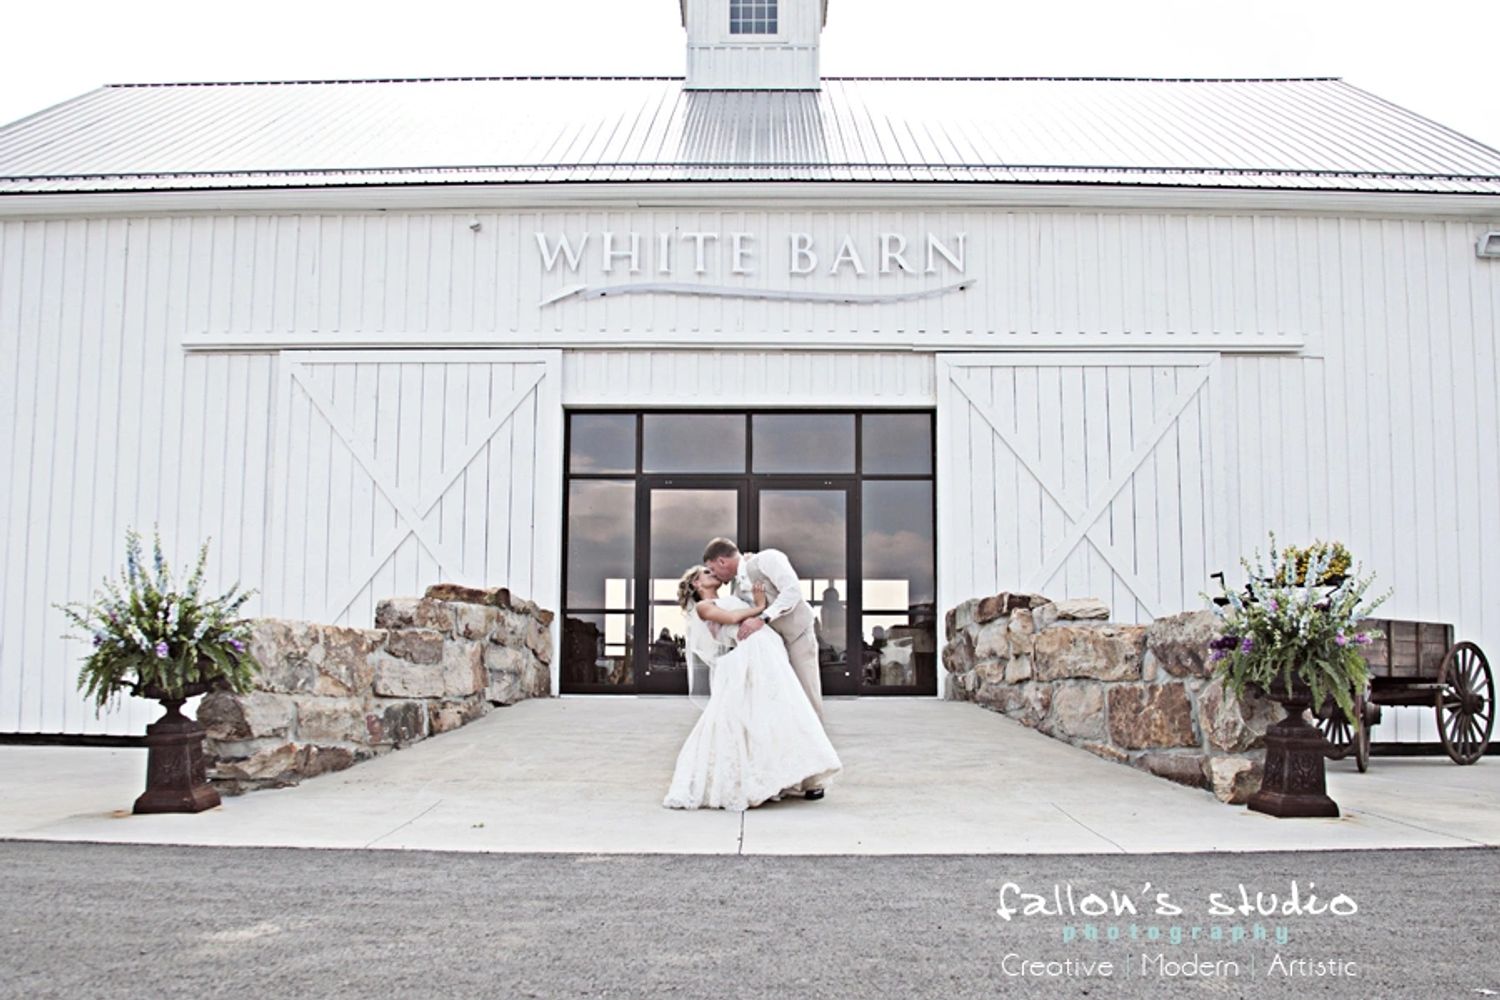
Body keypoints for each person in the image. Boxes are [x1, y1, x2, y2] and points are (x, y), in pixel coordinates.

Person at [662, 565, 842, 811]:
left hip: (767, 649)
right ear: (696, 584)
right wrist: (760, 607)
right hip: (752, 654)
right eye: (705, 573)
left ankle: (792, 775)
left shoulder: (731, 598)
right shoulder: (704, 608)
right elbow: (733, 619)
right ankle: (760, 778)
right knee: (755, 716)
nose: (711, 573)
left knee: (777, 713)